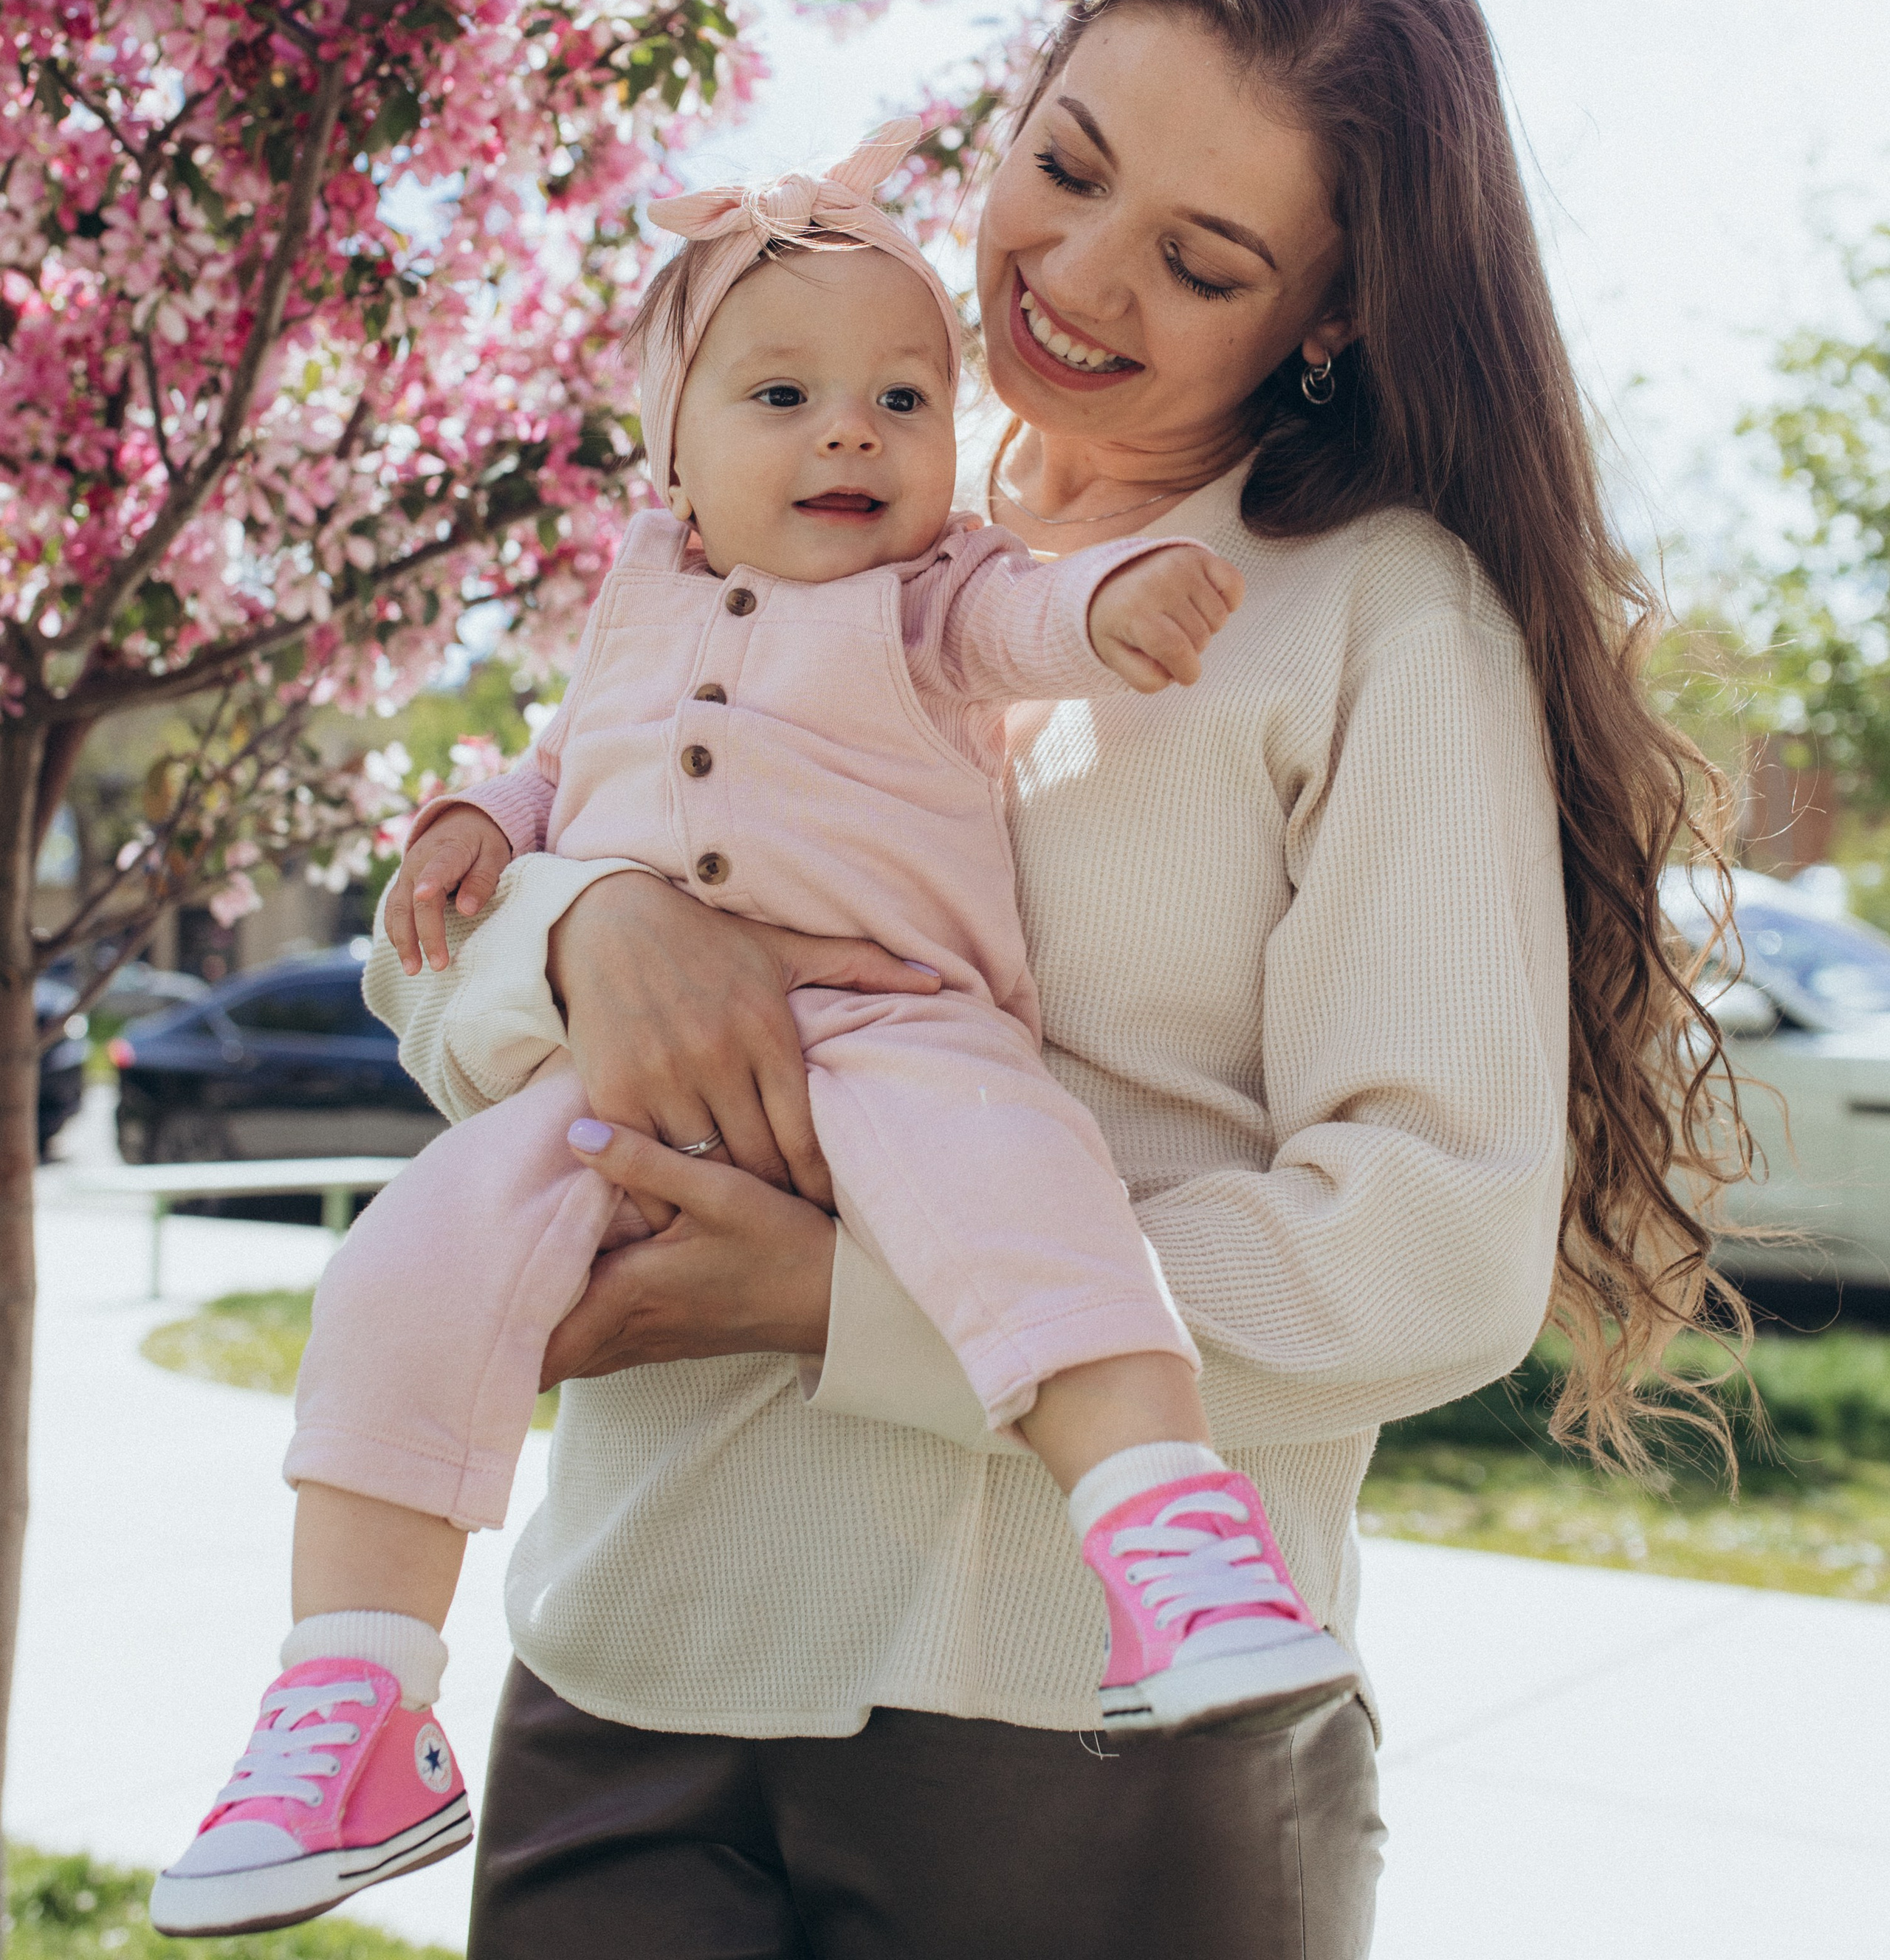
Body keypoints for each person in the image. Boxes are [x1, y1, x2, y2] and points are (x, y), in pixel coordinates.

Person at [149, 120, 1366, 1942]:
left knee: (1031, 1211)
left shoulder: (930, 589)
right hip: (608, 1089)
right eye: (783, 393)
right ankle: (353, 1694)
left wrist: (1113, 607)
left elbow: (1031, 618)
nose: (849, 434)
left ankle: (1169, 1547)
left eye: (898, 395)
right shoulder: (634, 598)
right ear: (671, 454)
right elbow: (567, 764)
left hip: (898, 1029)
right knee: (401, 1270)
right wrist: (483, 826)